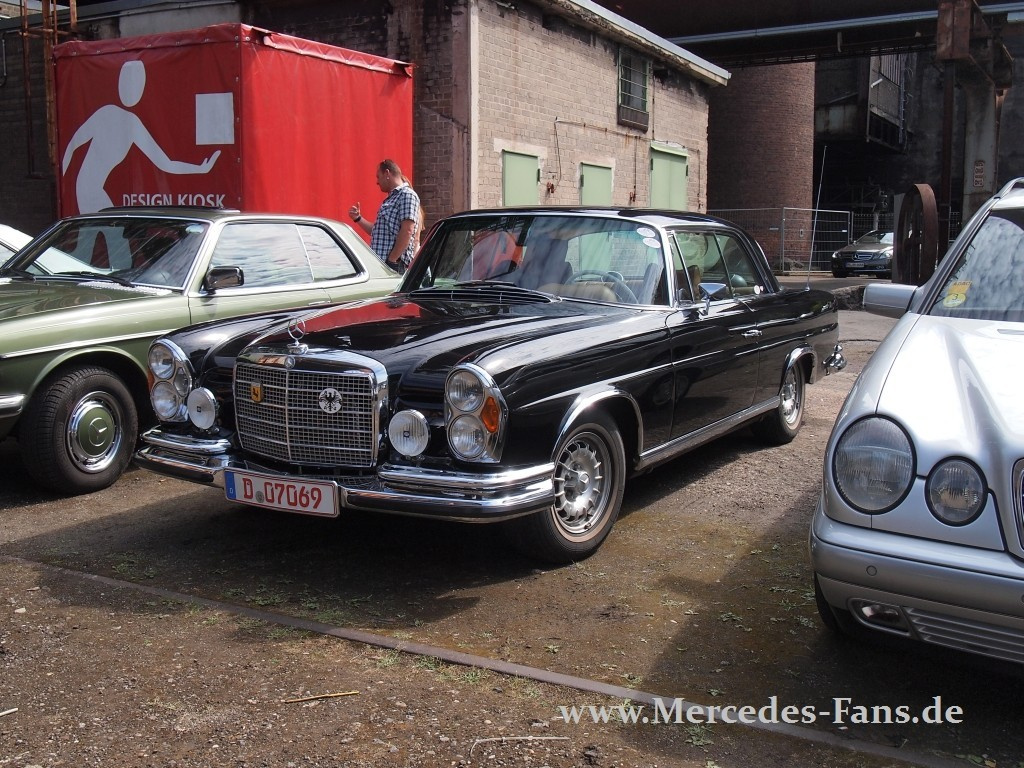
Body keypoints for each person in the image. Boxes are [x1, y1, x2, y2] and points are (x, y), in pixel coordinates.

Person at [349, 159, 421, 273]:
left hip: (394, 266)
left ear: (387, 173)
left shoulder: (407, 195)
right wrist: (358, 218)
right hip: (381, 264)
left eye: (378, 177)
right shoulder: (392, 198)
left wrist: (392, 260)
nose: (377, 182)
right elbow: (377, 231)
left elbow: (407, 230)